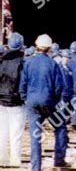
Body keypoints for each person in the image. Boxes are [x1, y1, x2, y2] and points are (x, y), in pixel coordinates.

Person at [19, 34, 69, 171]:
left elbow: (23, 83)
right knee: (60, 127)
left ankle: (36, 167)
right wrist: (54, 100)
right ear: (49, 48)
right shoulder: (53, 64)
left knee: (35, 134)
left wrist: (25, 98)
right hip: (49, 101)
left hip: (32, 101)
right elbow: (59, 87)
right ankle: (59, 160)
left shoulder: (28, 63)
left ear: (37, 46)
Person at [0, 32, 26, 168]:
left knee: (2, 131)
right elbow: (23, 83)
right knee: (16, 133)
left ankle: (1, 158)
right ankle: (15, 159)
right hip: (16, 102)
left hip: (1, 101)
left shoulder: (1, 60)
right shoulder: (23, 63)